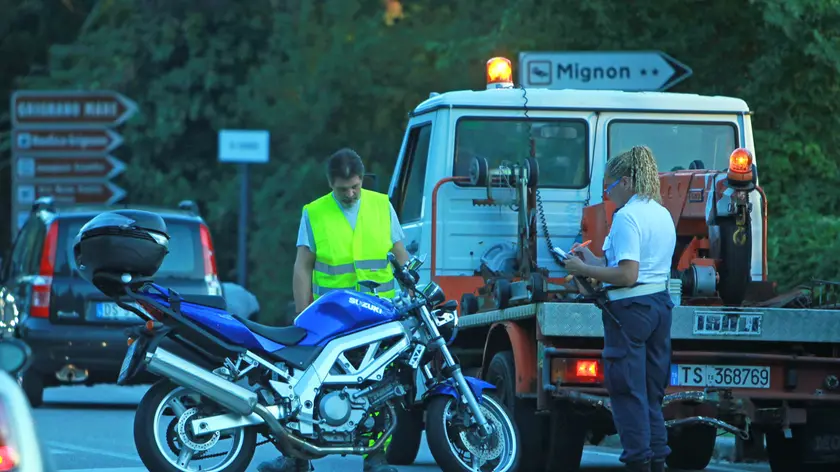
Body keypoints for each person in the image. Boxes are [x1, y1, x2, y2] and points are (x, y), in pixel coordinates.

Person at [258, 148, 409, 472]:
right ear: (331, 184)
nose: (350, 193)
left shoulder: (381, 206)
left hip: (379, 316)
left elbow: (401, 257)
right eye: (343, 189)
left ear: (361, 179)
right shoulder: (314, 213)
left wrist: (411, 297)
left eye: (355, 186)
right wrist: (303, 317)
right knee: (308, 384)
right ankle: (296, 459)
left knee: (381, 386)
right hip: (332, 319)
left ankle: (376, 458)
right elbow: (303, 267)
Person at [563, 145, 677, 472]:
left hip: (630, 312)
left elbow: (627, 275)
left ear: (626, 181)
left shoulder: (627, 216)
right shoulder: (660, 213)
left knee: (628, 394)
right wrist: (592, 261)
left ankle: (638, 463)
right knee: (651, 395)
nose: (608, 195)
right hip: (658, 307)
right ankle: (657, 462)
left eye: (609, 187)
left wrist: (583, 271)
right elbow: (626, 266)